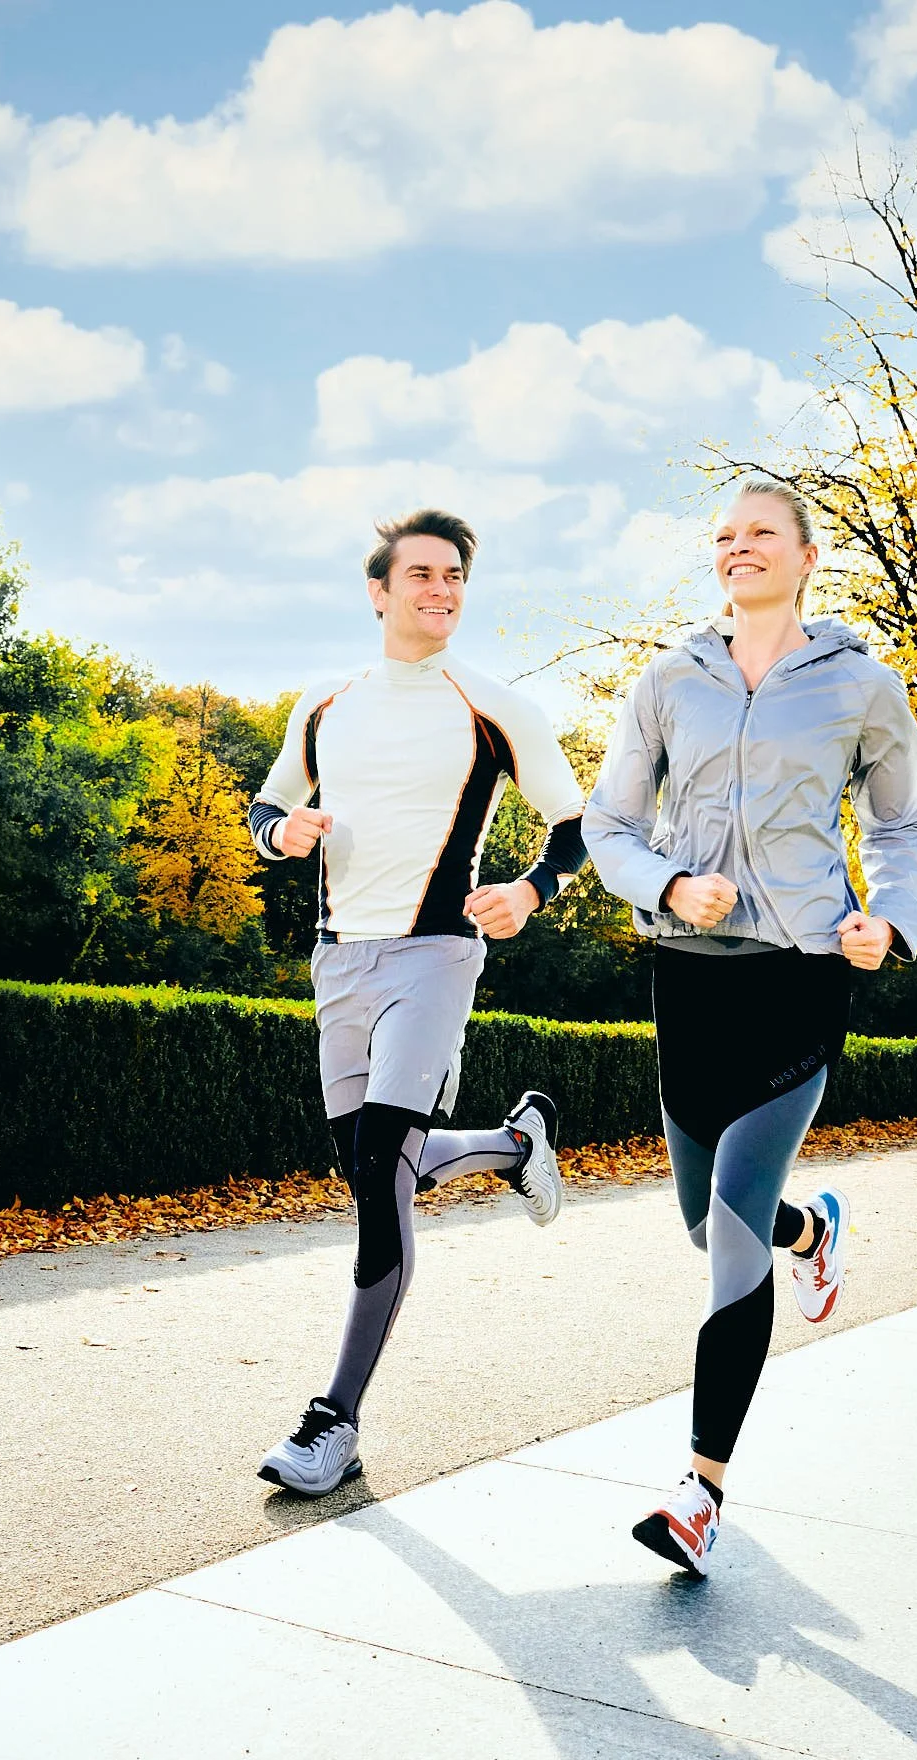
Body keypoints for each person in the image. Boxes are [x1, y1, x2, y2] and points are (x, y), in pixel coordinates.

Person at [582, 476, 917, 1575]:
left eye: (760, 535)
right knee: (705, 1220)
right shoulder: (667, 682)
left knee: (727, 1228)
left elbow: (903, 811)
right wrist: (666, 884)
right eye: (725, 538)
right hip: (688, 976)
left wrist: (888, 918)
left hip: (799, 971)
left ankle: (700, 1492)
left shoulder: (861, 685)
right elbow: (608, 821)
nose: (739, 550)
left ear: (806, 553)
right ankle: (812, 1234)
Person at [248, 508, 587, 1498]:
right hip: (337, 962)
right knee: (369, 1170)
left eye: (456, 578)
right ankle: (518, 1145)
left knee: (381, 1184)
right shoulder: (325, 700)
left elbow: (575, 822)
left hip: (436, 954)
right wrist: (283, 835)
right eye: (424, 575)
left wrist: (528, 891)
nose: (442, 591)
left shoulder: (491, 705)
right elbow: (266, 805)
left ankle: (333, 1419)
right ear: (379, 591)